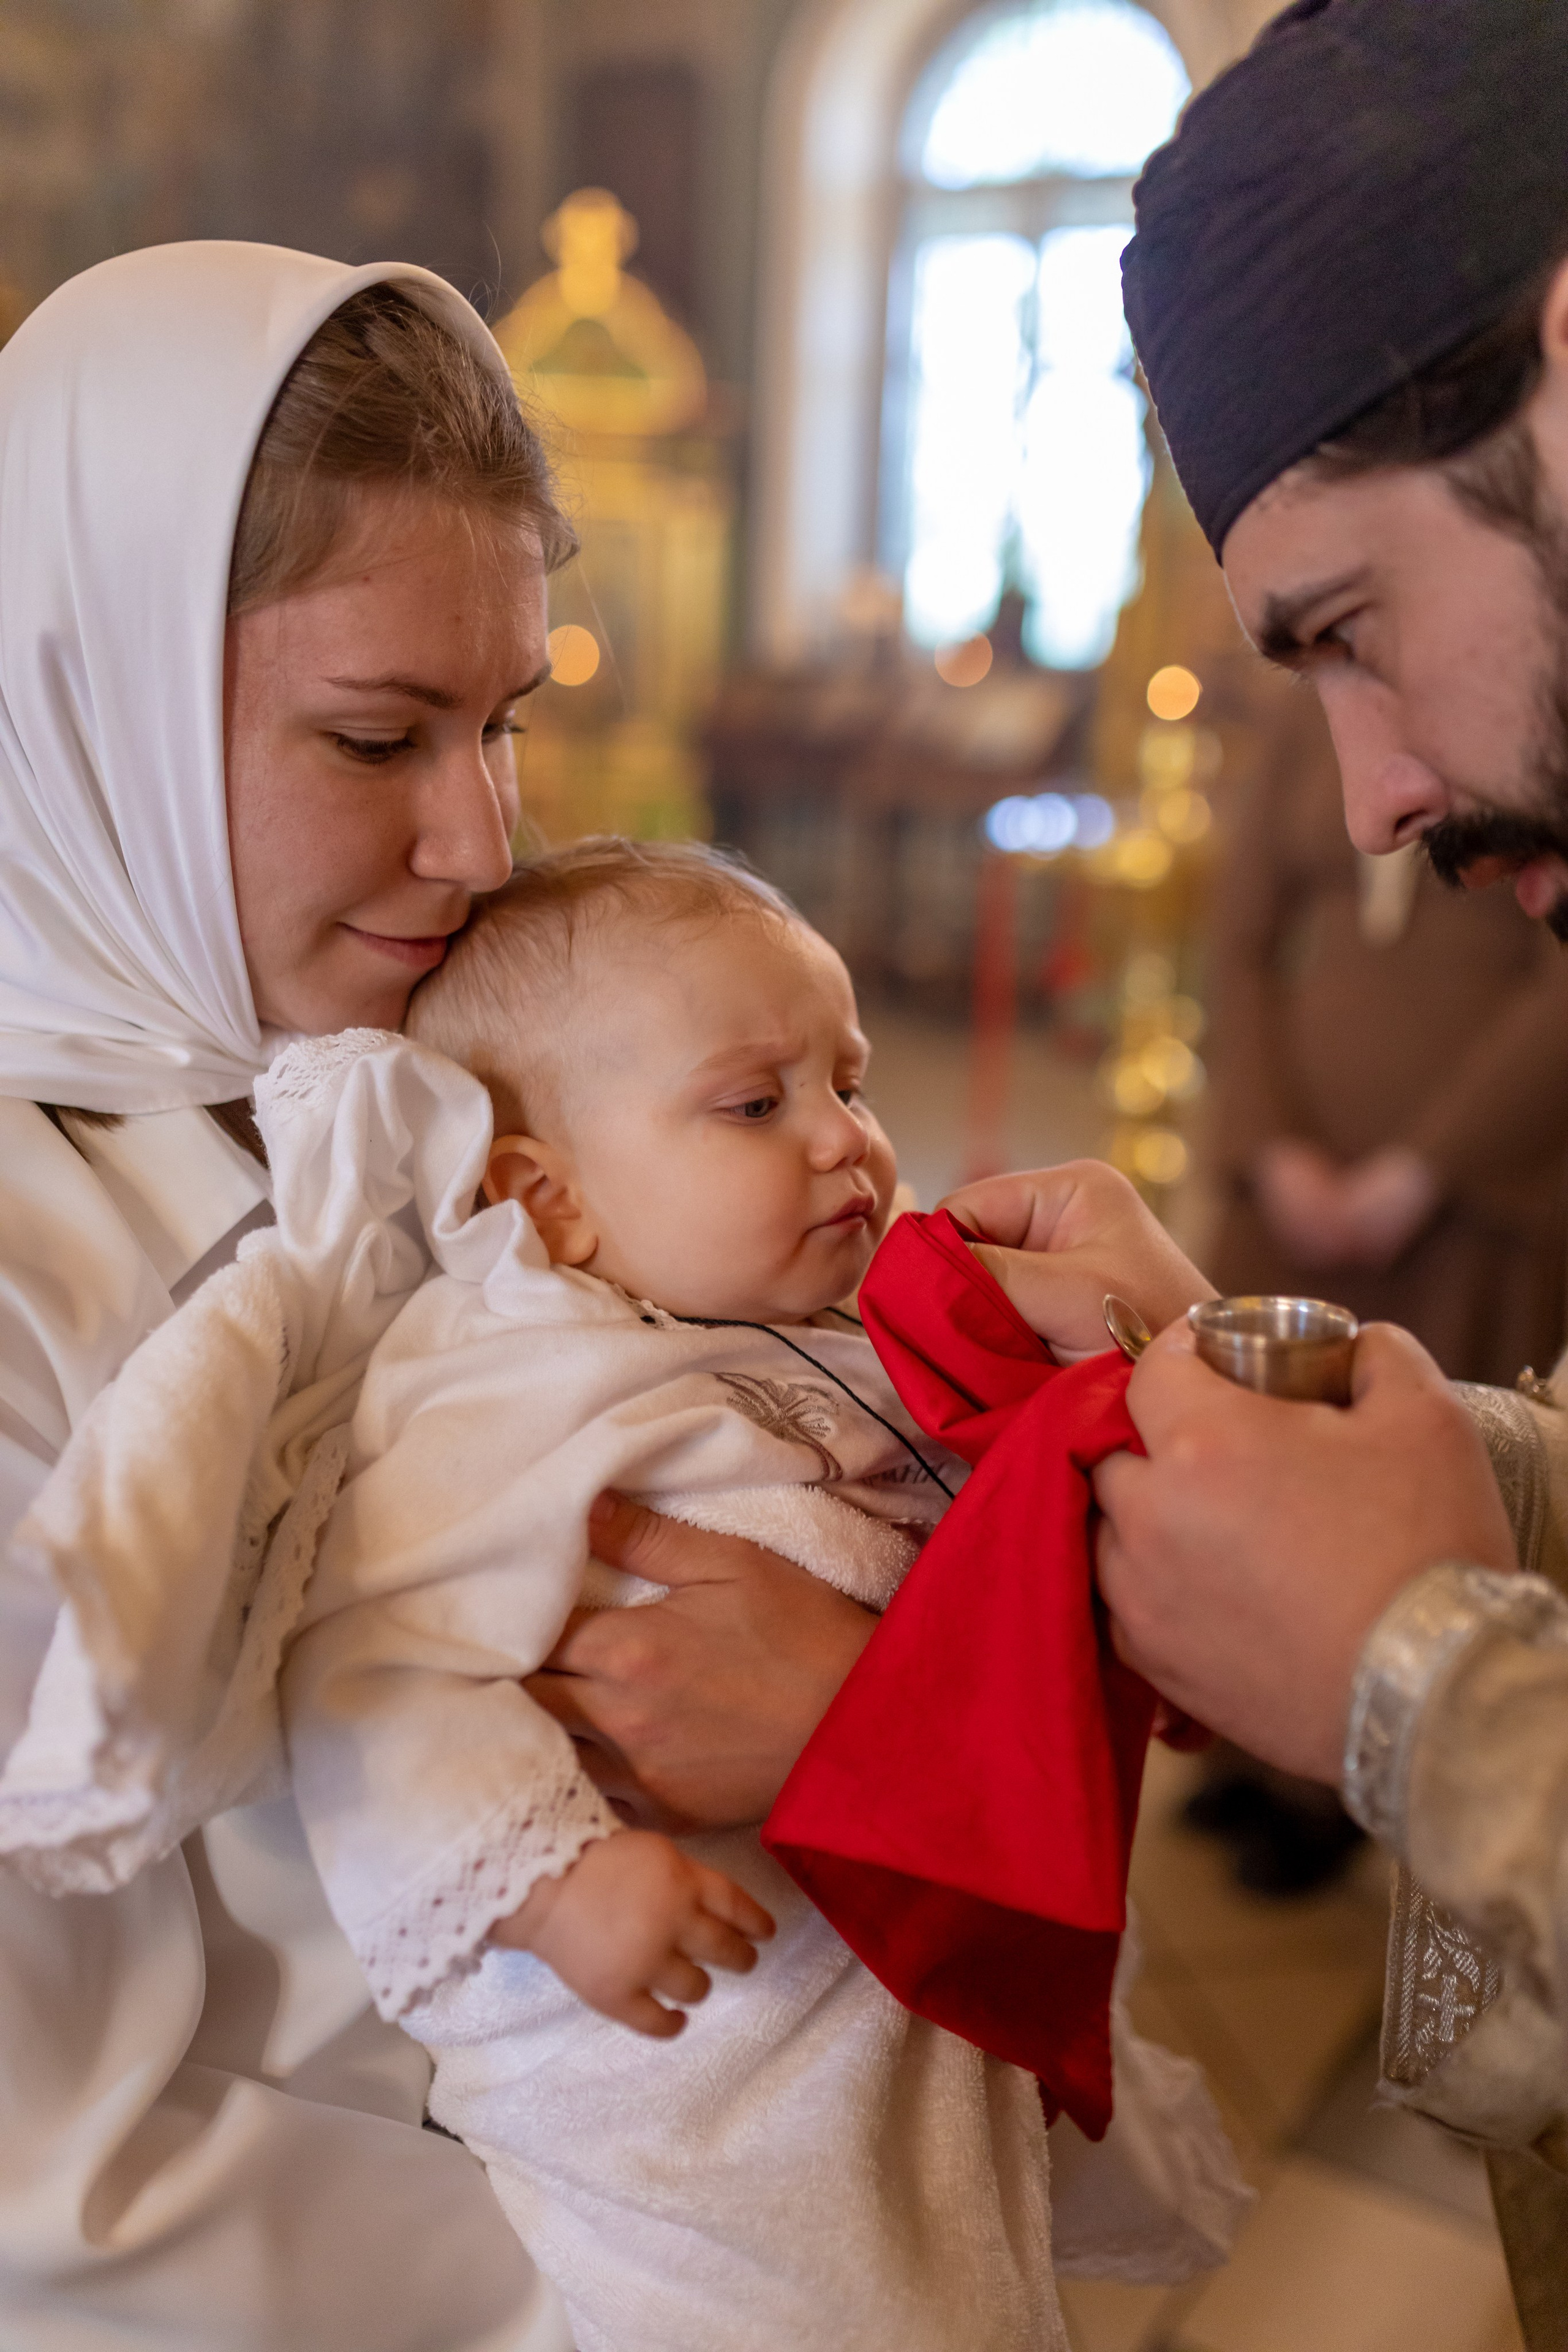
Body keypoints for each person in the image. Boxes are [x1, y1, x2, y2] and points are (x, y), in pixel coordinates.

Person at [0, 241, 869, 2350]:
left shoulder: (408, 1084)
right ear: (81, 692)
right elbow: (65, 2188)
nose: (483, 839)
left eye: (506, 721)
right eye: (378, 735)